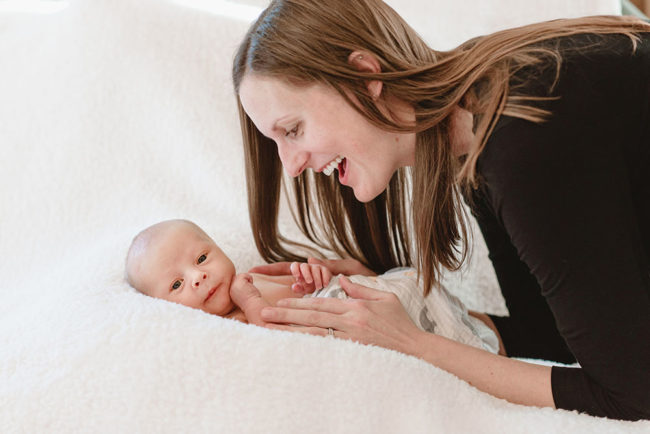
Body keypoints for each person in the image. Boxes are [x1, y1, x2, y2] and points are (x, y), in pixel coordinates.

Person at [231, 0, 650, 420]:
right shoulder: (475, 124)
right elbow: (550, 335)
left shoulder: (517, 140)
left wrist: (414, 346)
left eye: (293, 130)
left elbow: (634, 393)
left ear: (365, 76)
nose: (290, 165)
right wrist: (409, 301)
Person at [124, 219, 503, 353]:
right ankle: (483, 351)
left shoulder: (255, 274)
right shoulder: (230, 324)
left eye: (202, 258)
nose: (198, 276)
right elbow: (274, 336)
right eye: (177, 284)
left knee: (410, 287)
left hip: (374, 293)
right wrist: (252, 304)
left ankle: (479, 335)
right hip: (364, 322)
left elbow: (306, 283)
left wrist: (312, 278)